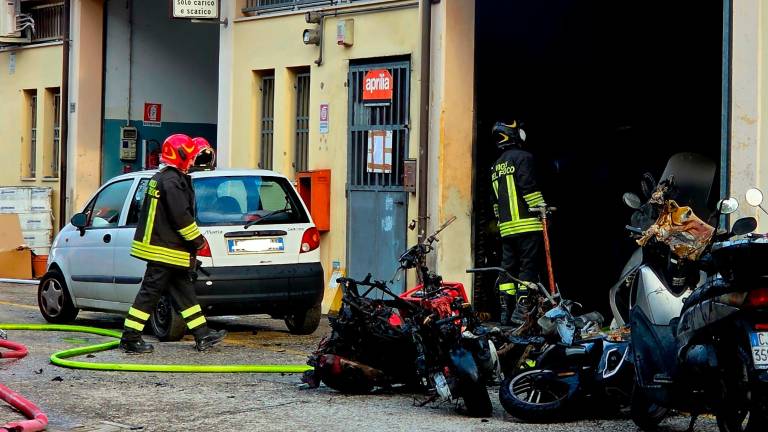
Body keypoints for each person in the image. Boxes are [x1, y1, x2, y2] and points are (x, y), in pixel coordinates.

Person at [119, 133, 226, 354]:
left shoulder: (164, 178)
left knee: (184, 293)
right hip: (165, 249)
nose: (194, 160)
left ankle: (202, 335)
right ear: (179, 155)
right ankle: (130, 338)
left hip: (166, 248)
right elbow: (181, 217)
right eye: (190, 155)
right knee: (149, 294)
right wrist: (198, 241)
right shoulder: (172, 181)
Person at [490, 121, 546, 325]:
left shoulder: (495, 166)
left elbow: (495, 202)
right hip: (527, 225)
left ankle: (505, 311)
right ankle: (522, 311)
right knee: (527, 267)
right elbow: (528, 187)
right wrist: (542, 208)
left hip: (506, 229)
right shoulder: (524, 158)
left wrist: (501, 223)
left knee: (507, 269)